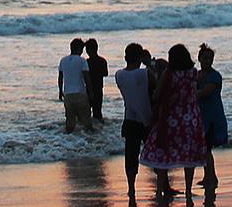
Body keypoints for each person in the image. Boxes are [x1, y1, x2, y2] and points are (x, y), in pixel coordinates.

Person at [138, 45, 207, 195]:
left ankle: (160, 189)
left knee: (163, 155)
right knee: (189, 157)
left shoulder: (170, 74)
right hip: (192, 118)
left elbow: (157, 95)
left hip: (172, 119)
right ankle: (188, 190)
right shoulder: (193, 73)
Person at [114, 44, 153, 195]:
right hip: (147, 118)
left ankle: (131, 187)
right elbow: (157, 86)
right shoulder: (145, 74)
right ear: (140, 58)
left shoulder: (119, 75)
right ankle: (163, 185)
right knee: (156, 152)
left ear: (125, 57)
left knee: (130, 155)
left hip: (129, 118)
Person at [195, 44, 227, 189]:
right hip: (202, 115)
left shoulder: (215, 76)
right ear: (199, 59)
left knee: (207, 147)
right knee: (204, 148)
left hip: (213, 115)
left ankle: (211, 176)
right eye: (205, 58)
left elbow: (204, 93)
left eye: (210, 58)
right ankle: (208, 176)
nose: (208, 61)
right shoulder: (197, 75)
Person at [57, 38, 92, 134]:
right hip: (80, 93)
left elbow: (60, 78)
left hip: (68, 94)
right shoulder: (82, 61)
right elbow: (86, 78)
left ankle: (69, 142)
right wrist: (90, 93)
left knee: (70, 121)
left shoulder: (63, 60)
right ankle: (89, 140)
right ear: (79, 49)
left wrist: (60, 92)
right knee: (86, 121)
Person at [85, 39, 110, 124]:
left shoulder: (86, 62)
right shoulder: (102, 61)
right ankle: (99, 130)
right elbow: (105, 73)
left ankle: (88, 131)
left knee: (86, 113)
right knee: (97, 112)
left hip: (88, 89)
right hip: (98, 88)